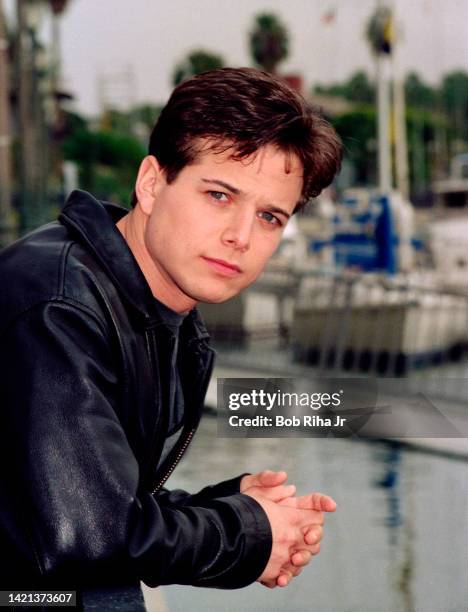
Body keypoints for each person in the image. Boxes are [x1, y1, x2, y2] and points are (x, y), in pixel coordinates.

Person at [0, 68, 342, 597]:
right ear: (152, 183)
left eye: (271, 217)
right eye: (220, 196)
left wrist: (234, 508)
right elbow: (88, 536)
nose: (241, 237)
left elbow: (93, 503)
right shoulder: (57, 308)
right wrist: (247, 533)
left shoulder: (159, 315)